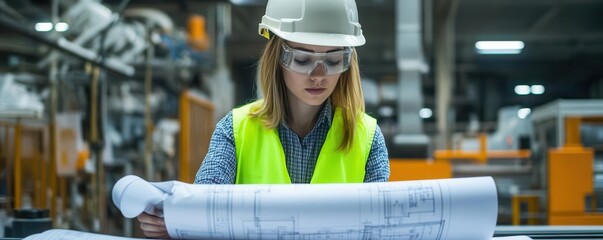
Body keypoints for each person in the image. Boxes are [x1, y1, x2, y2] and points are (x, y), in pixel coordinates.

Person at [137, 0, 389, 238]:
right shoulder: (235, 129)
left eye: (333, 61)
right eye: (302, 60)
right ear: (277, 58)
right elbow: (204, 208)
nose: (318, 75)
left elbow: (382, 227)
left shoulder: (367, 137)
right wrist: (176, 221)